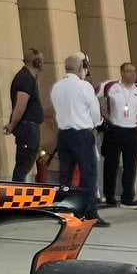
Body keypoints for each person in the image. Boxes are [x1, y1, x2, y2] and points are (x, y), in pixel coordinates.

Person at [50, 52, 108, 227]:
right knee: (88, 173)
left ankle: (65, 212)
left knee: (65, 175)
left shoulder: (57, 87)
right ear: (81, 68)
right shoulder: (84, 86)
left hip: (64, 134)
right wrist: (97, 123)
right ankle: (89, 213)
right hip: (81, 134)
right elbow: (95, 110)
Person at [98, 63, 137, 209]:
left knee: (130, 166)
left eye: (134, 71)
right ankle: (109, 196)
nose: (133, 74)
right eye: (129, 71)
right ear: (122, 73)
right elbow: (96, 97)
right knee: (110, 164)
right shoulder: (110, 86)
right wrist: (105, 114)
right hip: (115, 129)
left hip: (132, 131)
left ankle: (127, 198)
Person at [3, 48, 45, 182]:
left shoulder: (26, 77)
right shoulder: (26, 79)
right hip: (28, 129)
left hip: (28, 128)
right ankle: (16, 192)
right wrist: (12, 125)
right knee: (23, 167)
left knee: (24, 166)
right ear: (37, 62)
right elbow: (20, 105)